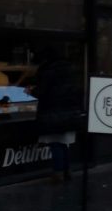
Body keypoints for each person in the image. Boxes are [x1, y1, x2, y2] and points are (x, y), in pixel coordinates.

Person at [33, 49, 83, 182]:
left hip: (52, 112)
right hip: (69, 112)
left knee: (55, 143)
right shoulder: (72, 70)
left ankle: (58, 172)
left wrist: (31, 90)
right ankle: (67, 170)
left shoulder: (47, 71)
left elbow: (41, 91)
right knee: (64, 144)